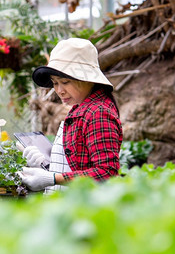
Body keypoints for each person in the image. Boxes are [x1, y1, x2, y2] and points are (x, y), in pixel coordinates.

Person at [18, 38, 123, 193]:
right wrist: (45, 164)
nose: (59, 90)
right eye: (54, 83)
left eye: (65, 82)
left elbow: (106, 173)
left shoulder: (98, 113)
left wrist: (52, 178)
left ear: (88, 79)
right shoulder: (80, 108)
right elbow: (77, 162)